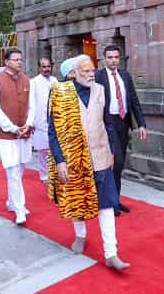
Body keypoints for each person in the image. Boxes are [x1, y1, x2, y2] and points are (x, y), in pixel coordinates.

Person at [48, 55, 130, 271]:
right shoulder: (60, 93)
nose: (91, 74)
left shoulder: (101, 90)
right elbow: (53, 131)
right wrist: (60, 160)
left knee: (107, 203)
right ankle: (81, 235)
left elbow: (108, 123)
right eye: (85, 71)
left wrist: (112, 151)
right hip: (74, 158)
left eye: (93, 70)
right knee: (78, 200)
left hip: (101, 156)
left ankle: (111, 253)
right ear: (73, 73)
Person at [95, 45, 146, 216]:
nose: (113, 60)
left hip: (123, 122)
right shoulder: (98, 77)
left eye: (116, 57)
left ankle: (115, 199)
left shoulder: (125, 75)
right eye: (110, 57)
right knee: (115, 161)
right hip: (107, 123)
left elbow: (134, 99)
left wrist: (141, 124)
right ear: (104, 59)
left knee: (120, 162)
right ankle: (110, 202)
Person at [0, 48, 35, 225]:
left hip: (25, 132)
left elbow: (32, 105)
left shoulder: (26, 80)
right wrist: (13, 128)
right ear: (6, 61)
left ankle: (11, 201)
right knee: (13, 171)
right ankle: (20, 209)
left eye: (20, 59)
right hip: (6, 134)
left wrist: (28, 124)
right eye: (15, 59)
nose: (19, 62)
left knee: (21, 169)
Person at [30, 57, 58, 182]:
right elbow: (31, 103)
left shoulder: (55, 80)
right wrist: (32, 121)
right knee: (42, 150)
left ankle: (55, 172)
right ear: (39, 68)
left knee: (54, 148)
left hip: (55, 118)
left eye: (48, 66)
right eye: (44, 66)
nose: (46, 69)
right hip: (40, 120)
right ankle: (44, 174)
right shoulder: (34, 82)